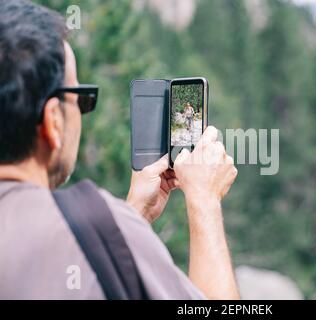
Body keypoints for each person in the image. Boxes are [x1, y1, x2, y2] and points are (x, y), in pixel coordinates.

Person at [0, 0, 239, 300]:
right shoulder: (94, 219)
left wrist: (131, 217)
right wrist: (204, 201)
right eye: (82, 98)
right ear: (53, 122)